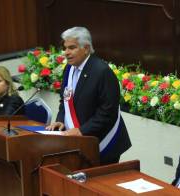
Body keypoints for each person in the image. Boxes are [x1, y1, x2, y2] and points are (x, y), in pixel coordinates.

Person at [46, 27, 131, 165]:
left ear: (86, 48)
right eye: (65, 48)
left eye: (71, 48)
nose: (66, 53)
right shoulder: (69, 69)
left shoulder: (102, 72)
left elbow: (107, 112)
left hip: (102, 143)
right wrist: (61, 120)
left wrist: (81, 130)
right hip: (80, 142)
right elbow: (65, 100)